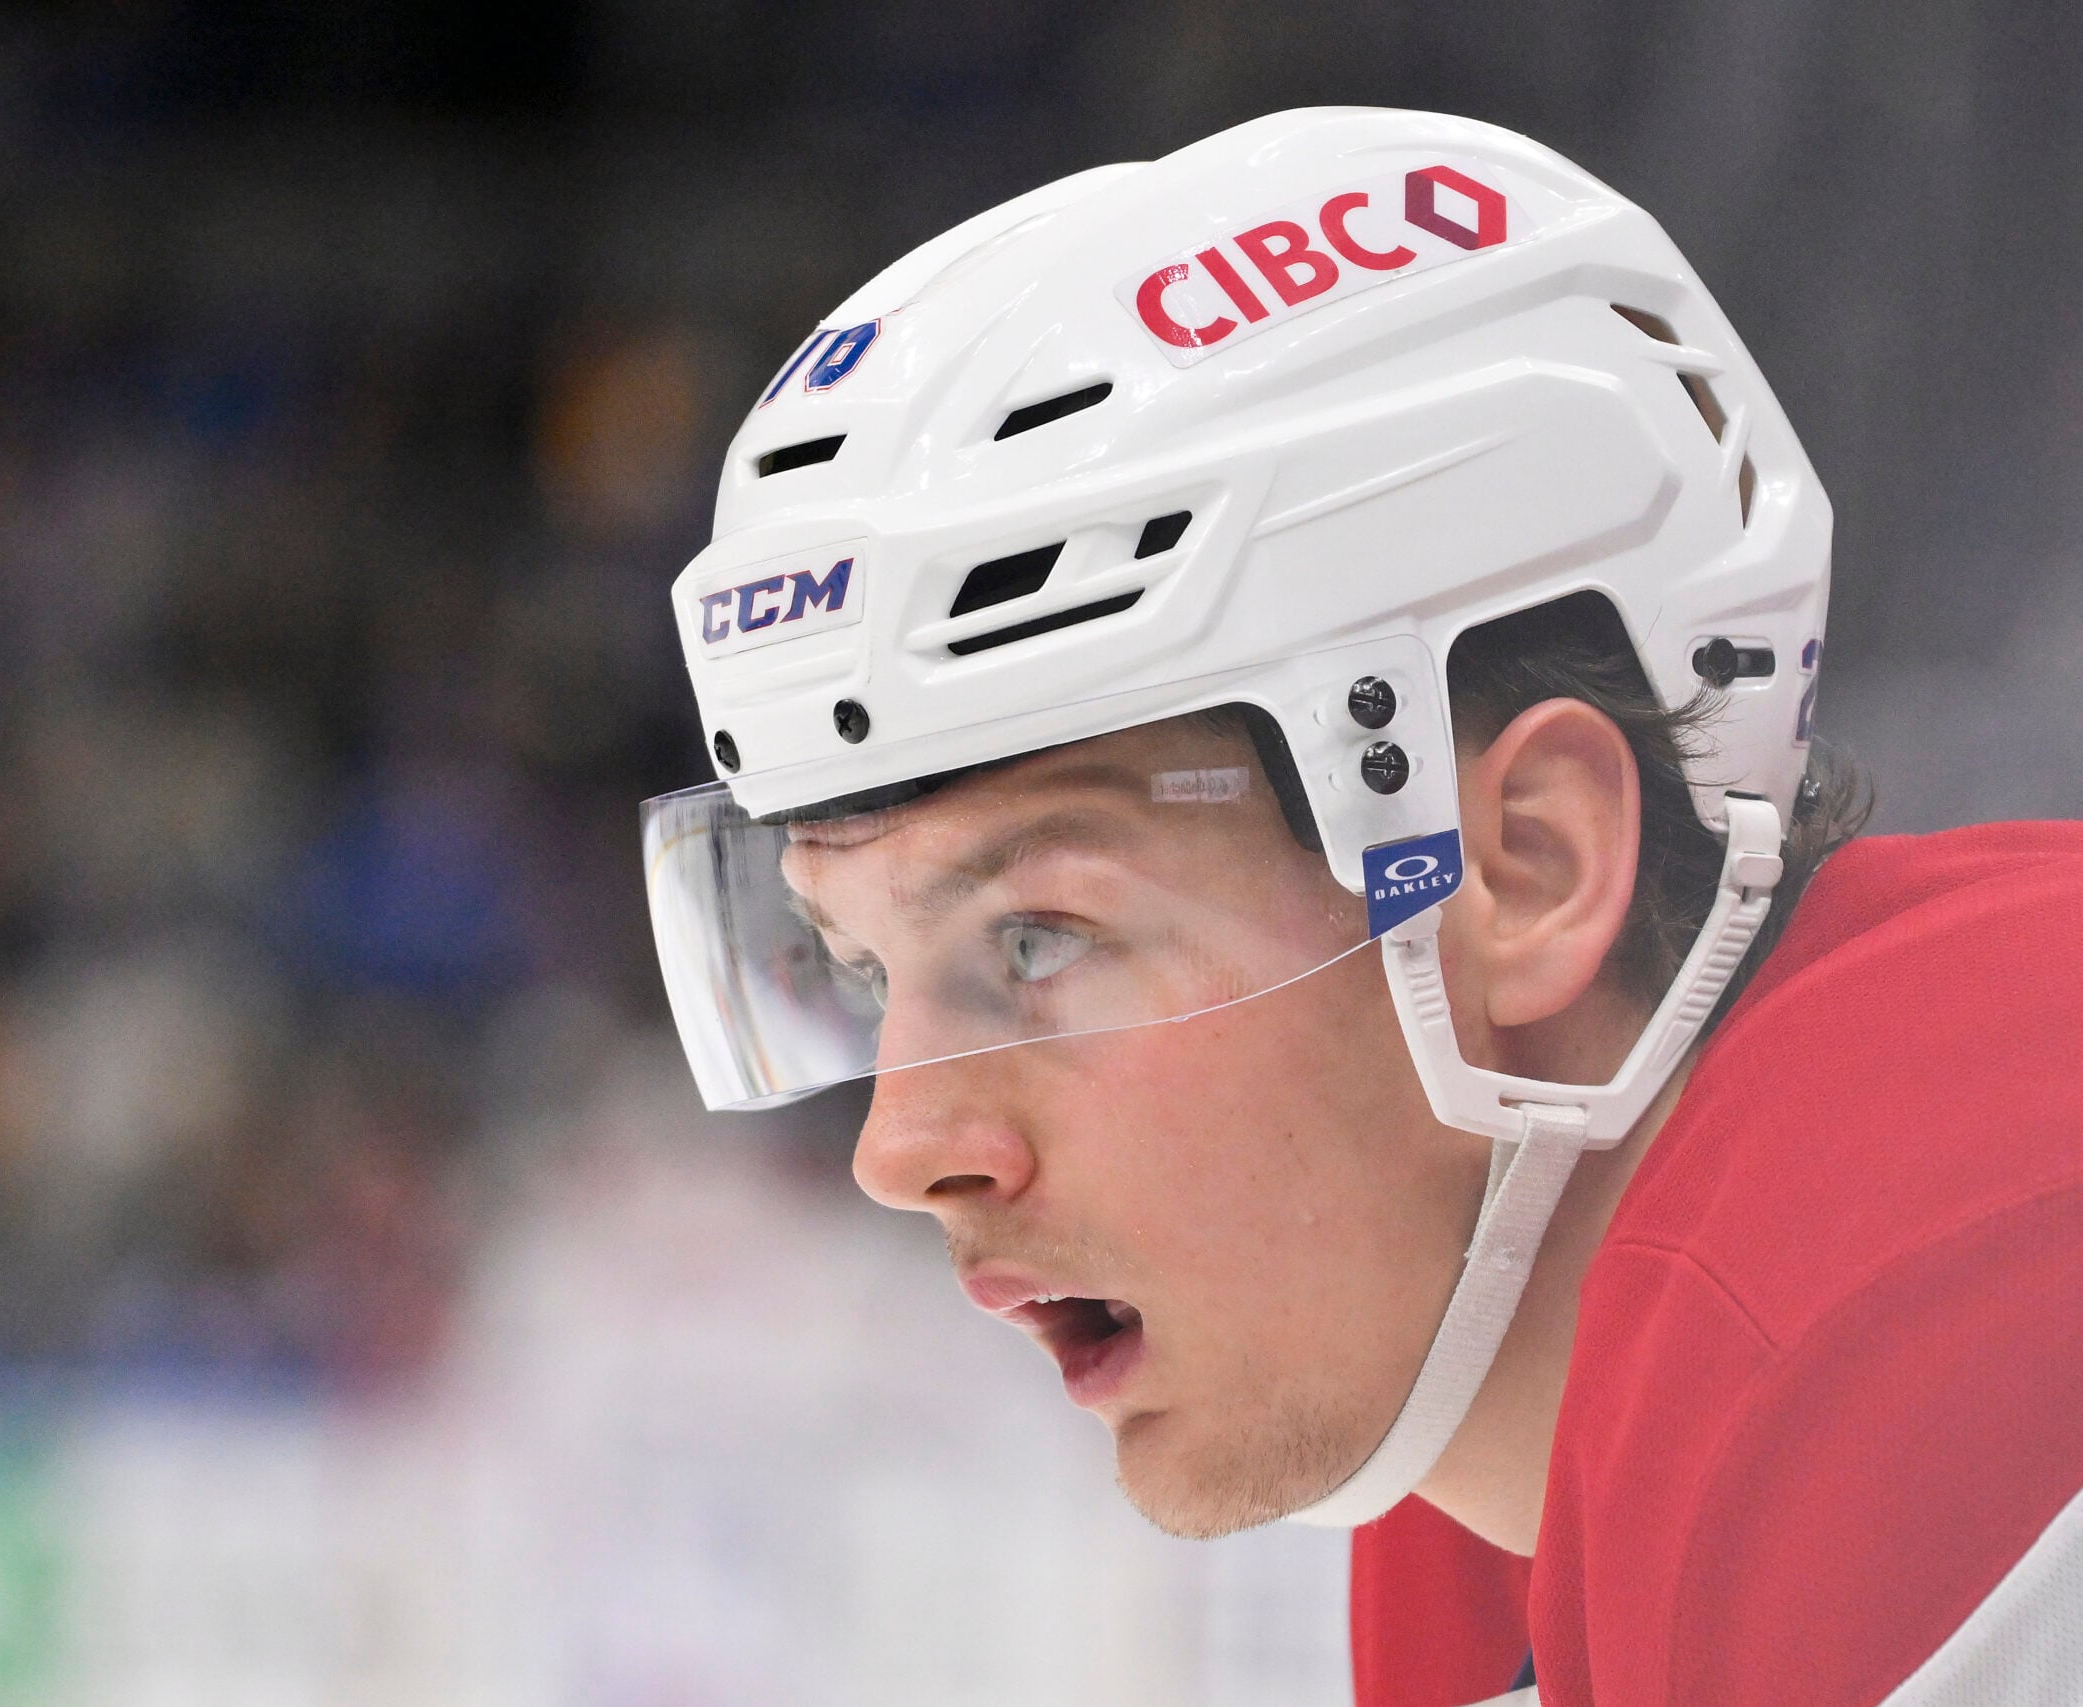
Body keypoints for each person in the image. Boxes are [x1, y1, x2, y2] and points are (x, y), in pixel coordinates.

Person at [637, 108, 2083, 1705]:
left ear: (1523, 867)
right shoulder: (1494, 1464)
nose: (901, 1150)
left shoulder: (1924, 1329)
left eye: (1037, 939)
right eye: (858, 964)